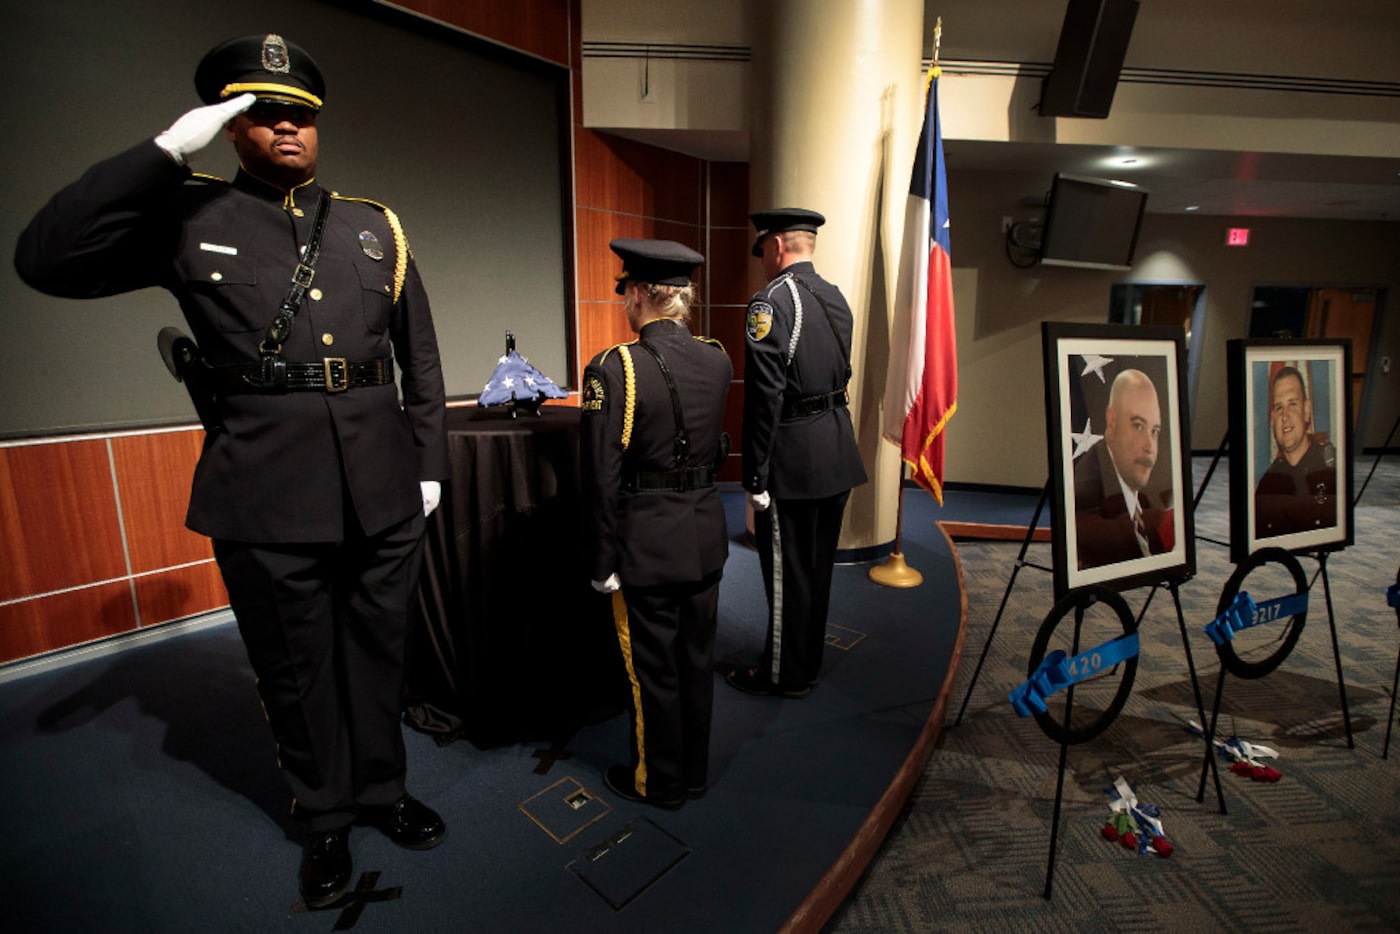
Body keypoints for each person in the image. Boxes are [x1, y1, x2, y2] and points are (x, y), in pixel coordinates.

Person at [15, 34, 449, 909]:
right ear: (229, 124)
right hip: (264, 492)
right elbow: (46, 258)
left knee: (377, 653)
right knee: (296, 668)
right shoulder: (188, 215)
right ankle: (325, 818)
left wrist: (427, 465)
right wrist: (164, 152)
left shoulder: (376, 226)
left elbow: (422, 360)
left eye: (301, 116)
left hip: (382, 486)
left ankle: (383, 788)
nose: (287, 129)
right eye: (262, 114)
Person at [580, 239, 732, 808]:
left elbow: (601, 476)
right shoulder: (717, 358)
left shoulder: (616, 367)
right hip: (705, 538)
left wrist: (602, 562)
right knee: (696, 662)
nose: (625, 303)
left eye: (627, 292)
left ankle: (660, 782)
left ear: (641, 294)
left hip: (645, 547)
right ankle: (693, 771)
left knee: (652, 675)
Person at [725, 208, 867, 699]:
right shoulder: (834, 297)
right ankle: (805, 661)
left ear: (779, 245)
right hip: (835, 449)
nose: (763, 257)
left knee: (786, 576)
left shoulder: (771, 303)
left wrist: (755, 476)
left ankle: (784, 674)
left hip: (794, 461)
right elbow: (841, 373)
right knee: (816, 570)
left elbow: (765, 397)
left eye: (763, 247)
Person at [1073, 368, 1173, 569]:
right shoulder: (1087, 490)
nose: (1149, 446)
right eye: (1138, 426)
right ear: (1112, 422)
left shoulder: (1145, 491)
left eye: (1154, 431)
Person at [1255, 364, 1337, 537]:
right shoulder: (1269, 482)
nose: (1285, 417)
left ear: (1306, 411)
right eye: (1278, 408)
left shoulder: (1330, 467)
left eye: (1292, 404)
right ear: (1273, 419)